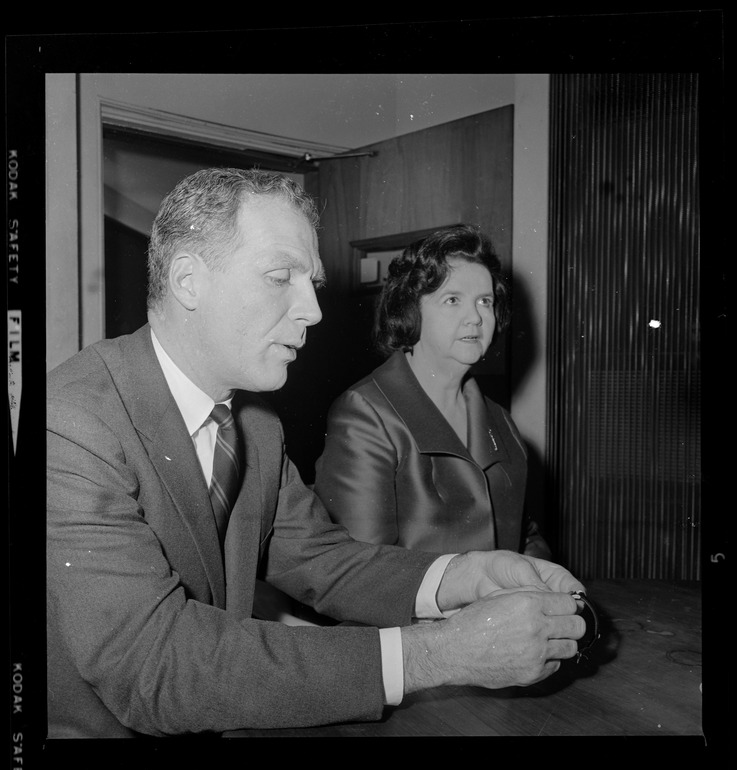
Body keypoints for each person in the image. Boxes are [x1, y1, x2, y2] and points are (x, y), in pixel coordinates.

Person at [47, 168, 584, 738]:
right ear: (188, 281)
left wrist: (465, 575)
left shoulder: (254, 424)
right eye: (282, 276)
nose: (313, 310)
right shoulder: (73, 422)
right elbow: (155, 665)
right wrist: (440, 653)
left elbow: (322, 560)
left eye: (312, 282)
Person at [314, 224, 552, 559]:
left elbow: (524, 537)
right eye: (452, 299)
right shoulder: (365, 414)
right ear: (410, 310)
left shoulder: (501, 421)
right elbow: (359, 571)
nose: (476, 317)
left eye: (485, 301)